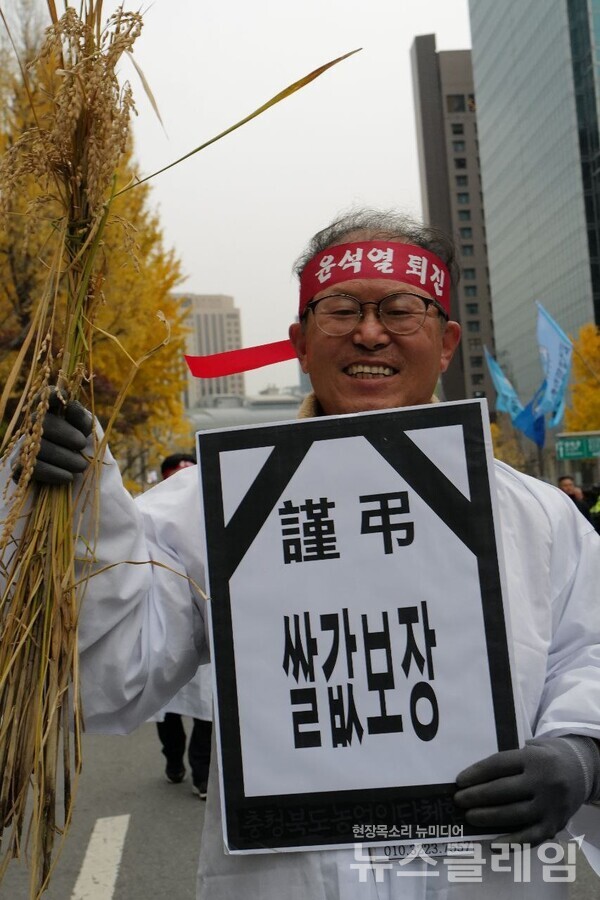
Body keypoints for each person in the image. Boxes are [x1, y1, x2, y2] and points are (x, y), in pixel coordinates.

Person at [3, 209, 600, 899]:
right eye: (342, 310)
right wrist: (75, 506)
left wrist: (581, 752)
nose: (370, 332)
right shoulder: (210, 506)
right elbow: (114, 672)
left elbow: (588, 653)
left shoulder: (540, 516)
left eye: (401, 310)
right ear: (300, 343)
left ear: (445, 344)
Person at [150, 453, 212, 799]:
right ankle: (173, 760)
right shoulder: (149, 521)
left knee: (207, 709)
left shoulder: (220, 512)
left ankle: (201, 775)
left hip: (208, 632)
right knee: (169, 712)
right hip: (168, 635)